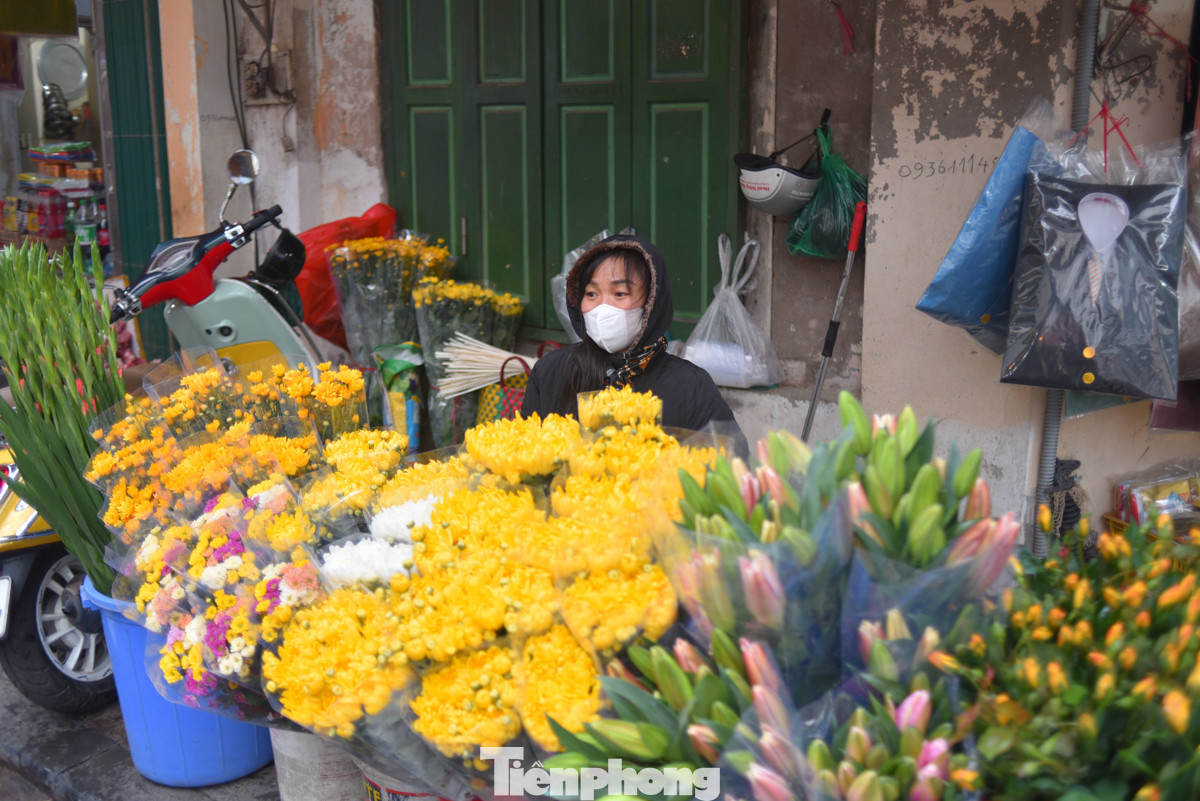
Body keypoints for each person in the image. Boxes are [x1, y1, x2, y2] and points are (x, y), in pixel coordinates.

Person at [522, 234, 748, 455]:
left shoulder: (691, 388)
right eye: (591, 294)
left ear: (652, 302)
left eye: (619, 293)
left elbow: (730, 471)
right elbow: (524, 455)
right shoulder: (550, 373)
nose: (602, 308)